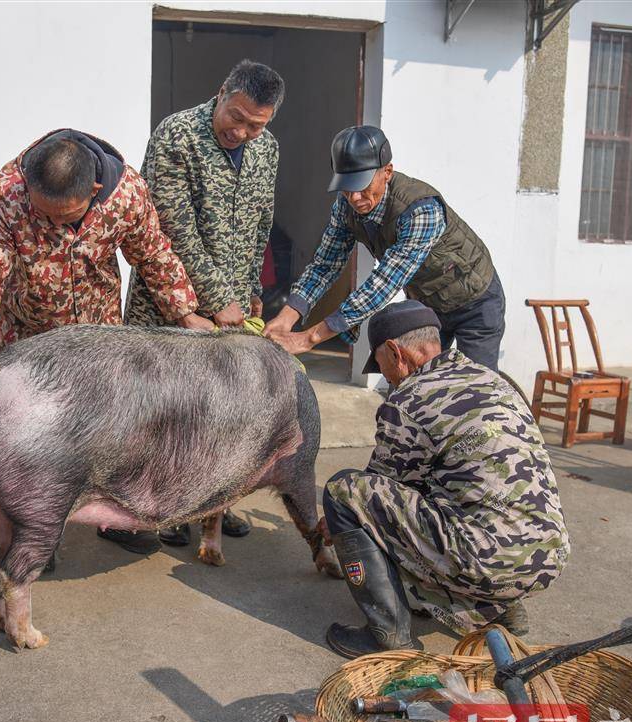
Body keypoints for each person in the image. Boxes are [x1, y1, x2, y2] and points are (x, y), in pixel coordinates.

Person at [0, 129, 213, 556]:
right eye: (44, 216)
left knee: (113, 428)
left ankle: (117, 516)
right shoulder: (4, 193)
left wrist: (186, 313)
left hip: (98, 335)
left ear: (93, 191)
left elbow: (153, 253)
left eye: (65, 216)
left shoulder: (126, 194)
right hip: (30, 332)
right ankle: (29, 528)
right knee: (34, 433)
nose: (55, 226)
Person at [320, 301, 569, 657]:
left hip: (485, 558)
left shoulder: (407, 400)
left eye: (381, 365)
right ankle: (501, 612)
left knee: (343, 490)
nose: (386, 376)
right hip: (549, 554)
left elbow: (378, 490)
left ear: (395, 352)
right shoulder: (493, 379)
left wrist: (335, 523)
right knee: (464, 499)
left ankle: (388, 636)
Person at [125, 59, 284, 548]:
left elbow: (262, 219)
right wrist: (217, 299)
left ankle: (214, 503)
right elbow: (172, 228)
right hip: (171, 306)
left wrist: (254, 283)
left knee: (223, 410)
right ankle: (163, 507)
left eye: (256, 125)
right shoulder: (177, 136)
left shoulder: (267, 149)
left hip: (235, 306)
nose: (242, 131)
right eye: (236, 117)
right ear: (221, 93)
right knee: (168, 411)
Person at [264, 126, 507, 372]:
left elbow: (383, 284)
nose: (355, 197)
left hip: (475, 304)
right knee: (409, 386)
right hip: (428, 306)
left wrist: (309, 338)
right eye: (347, 187)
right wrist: (288, 315)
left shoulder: (421, 210)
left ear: (387, 172)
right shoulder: (345, 206)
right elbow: (324, 265)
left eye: (362, 185)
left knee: (474, 388)